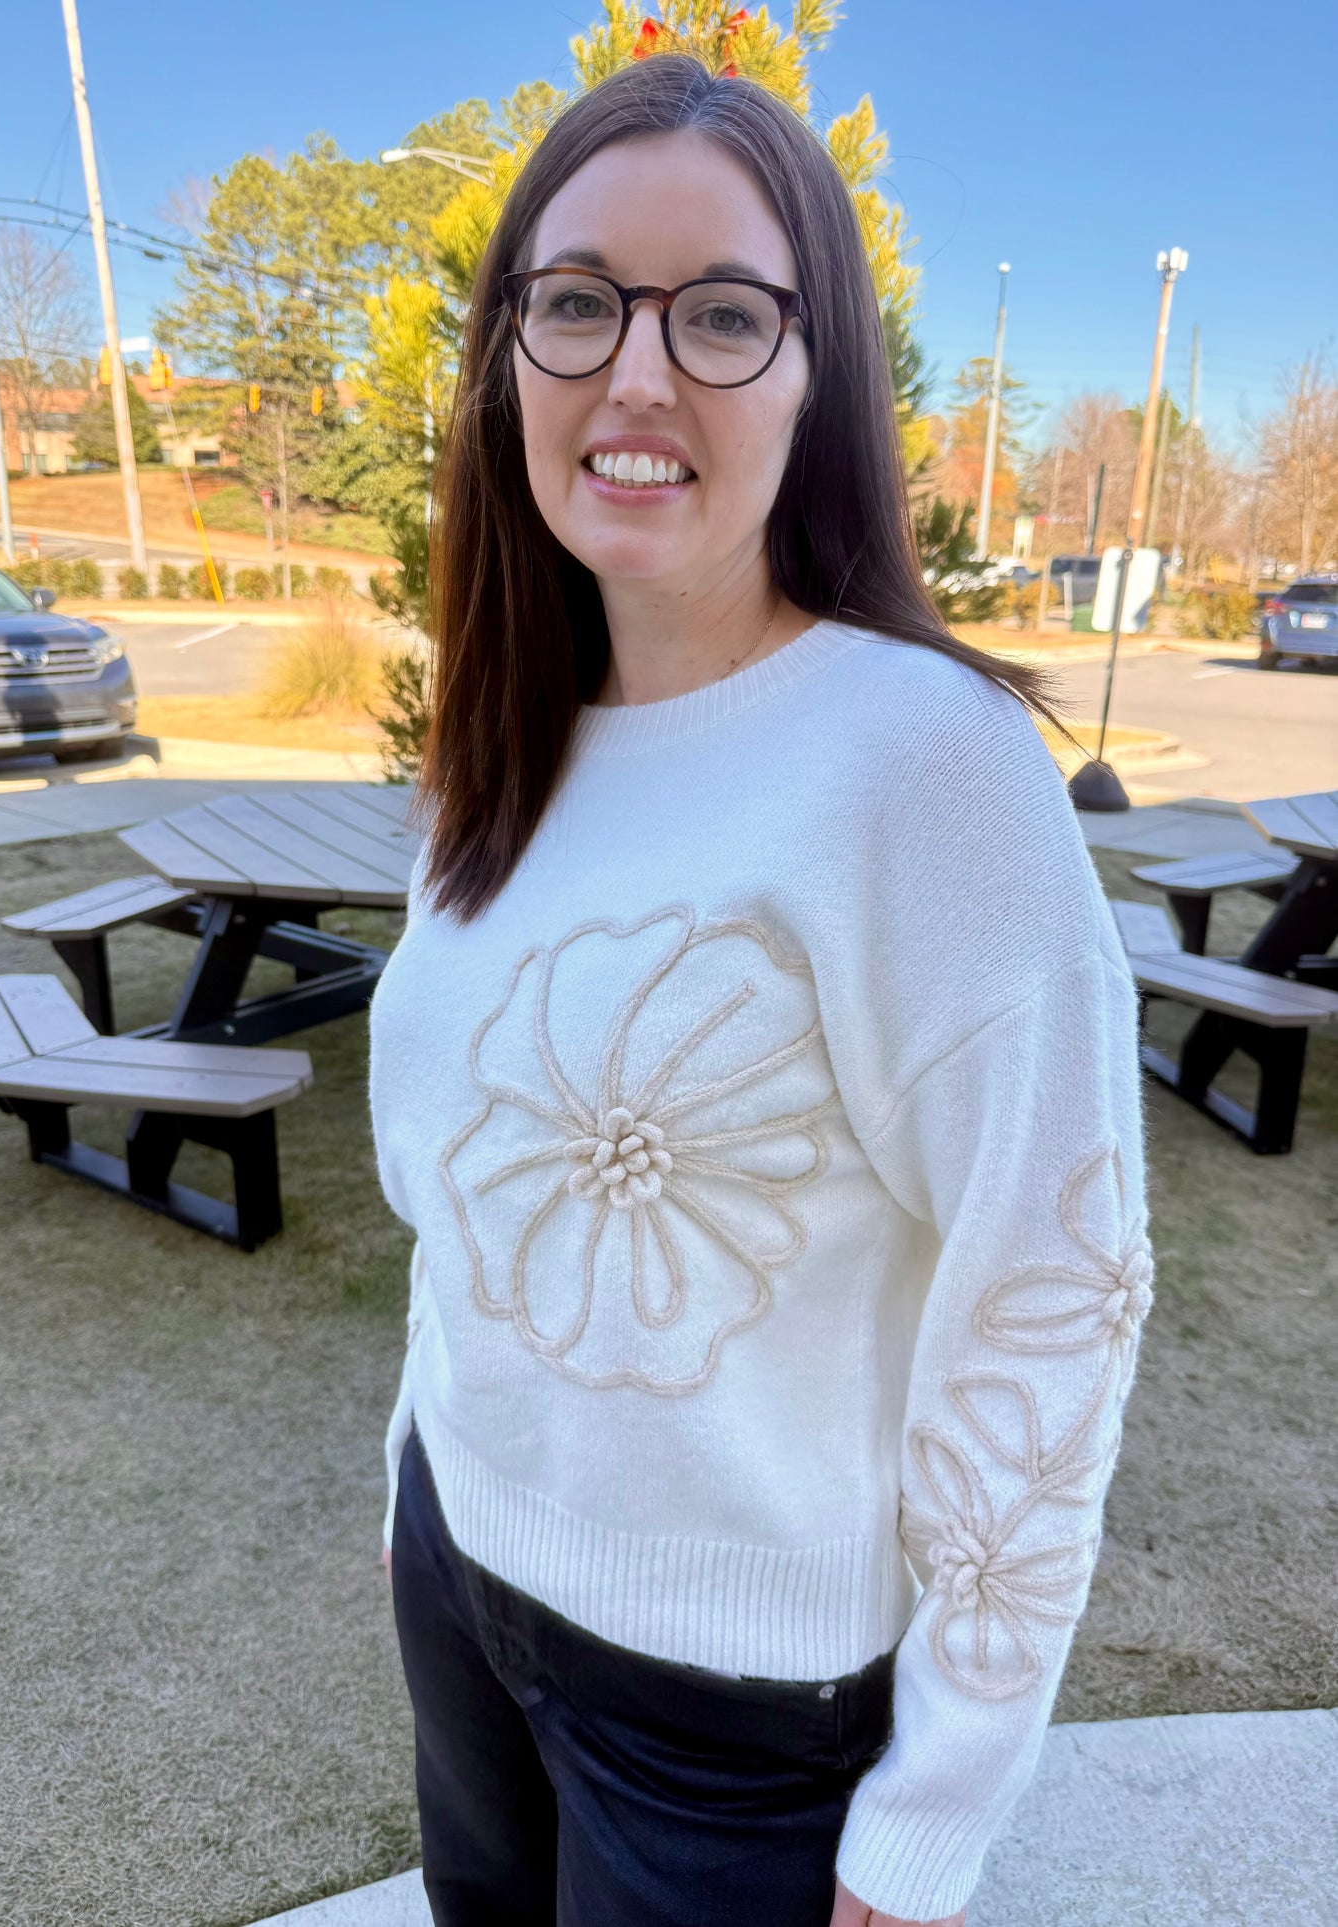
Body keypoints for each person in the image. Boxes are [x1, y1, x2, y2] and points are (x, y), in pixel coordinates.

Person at [368, 52, 1154, 1927]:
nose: (636, 374)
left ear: (818, 381)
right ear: (503, 359)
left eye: (721, 314)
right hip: (462, 1577)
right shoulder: (504, 737)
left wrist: (935, 1800)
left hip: (731, 1715)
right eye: (575, 303)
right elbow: (464, 1191)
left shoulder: (919, 765)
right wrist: (423, 1459)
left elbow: (1048, 1290)